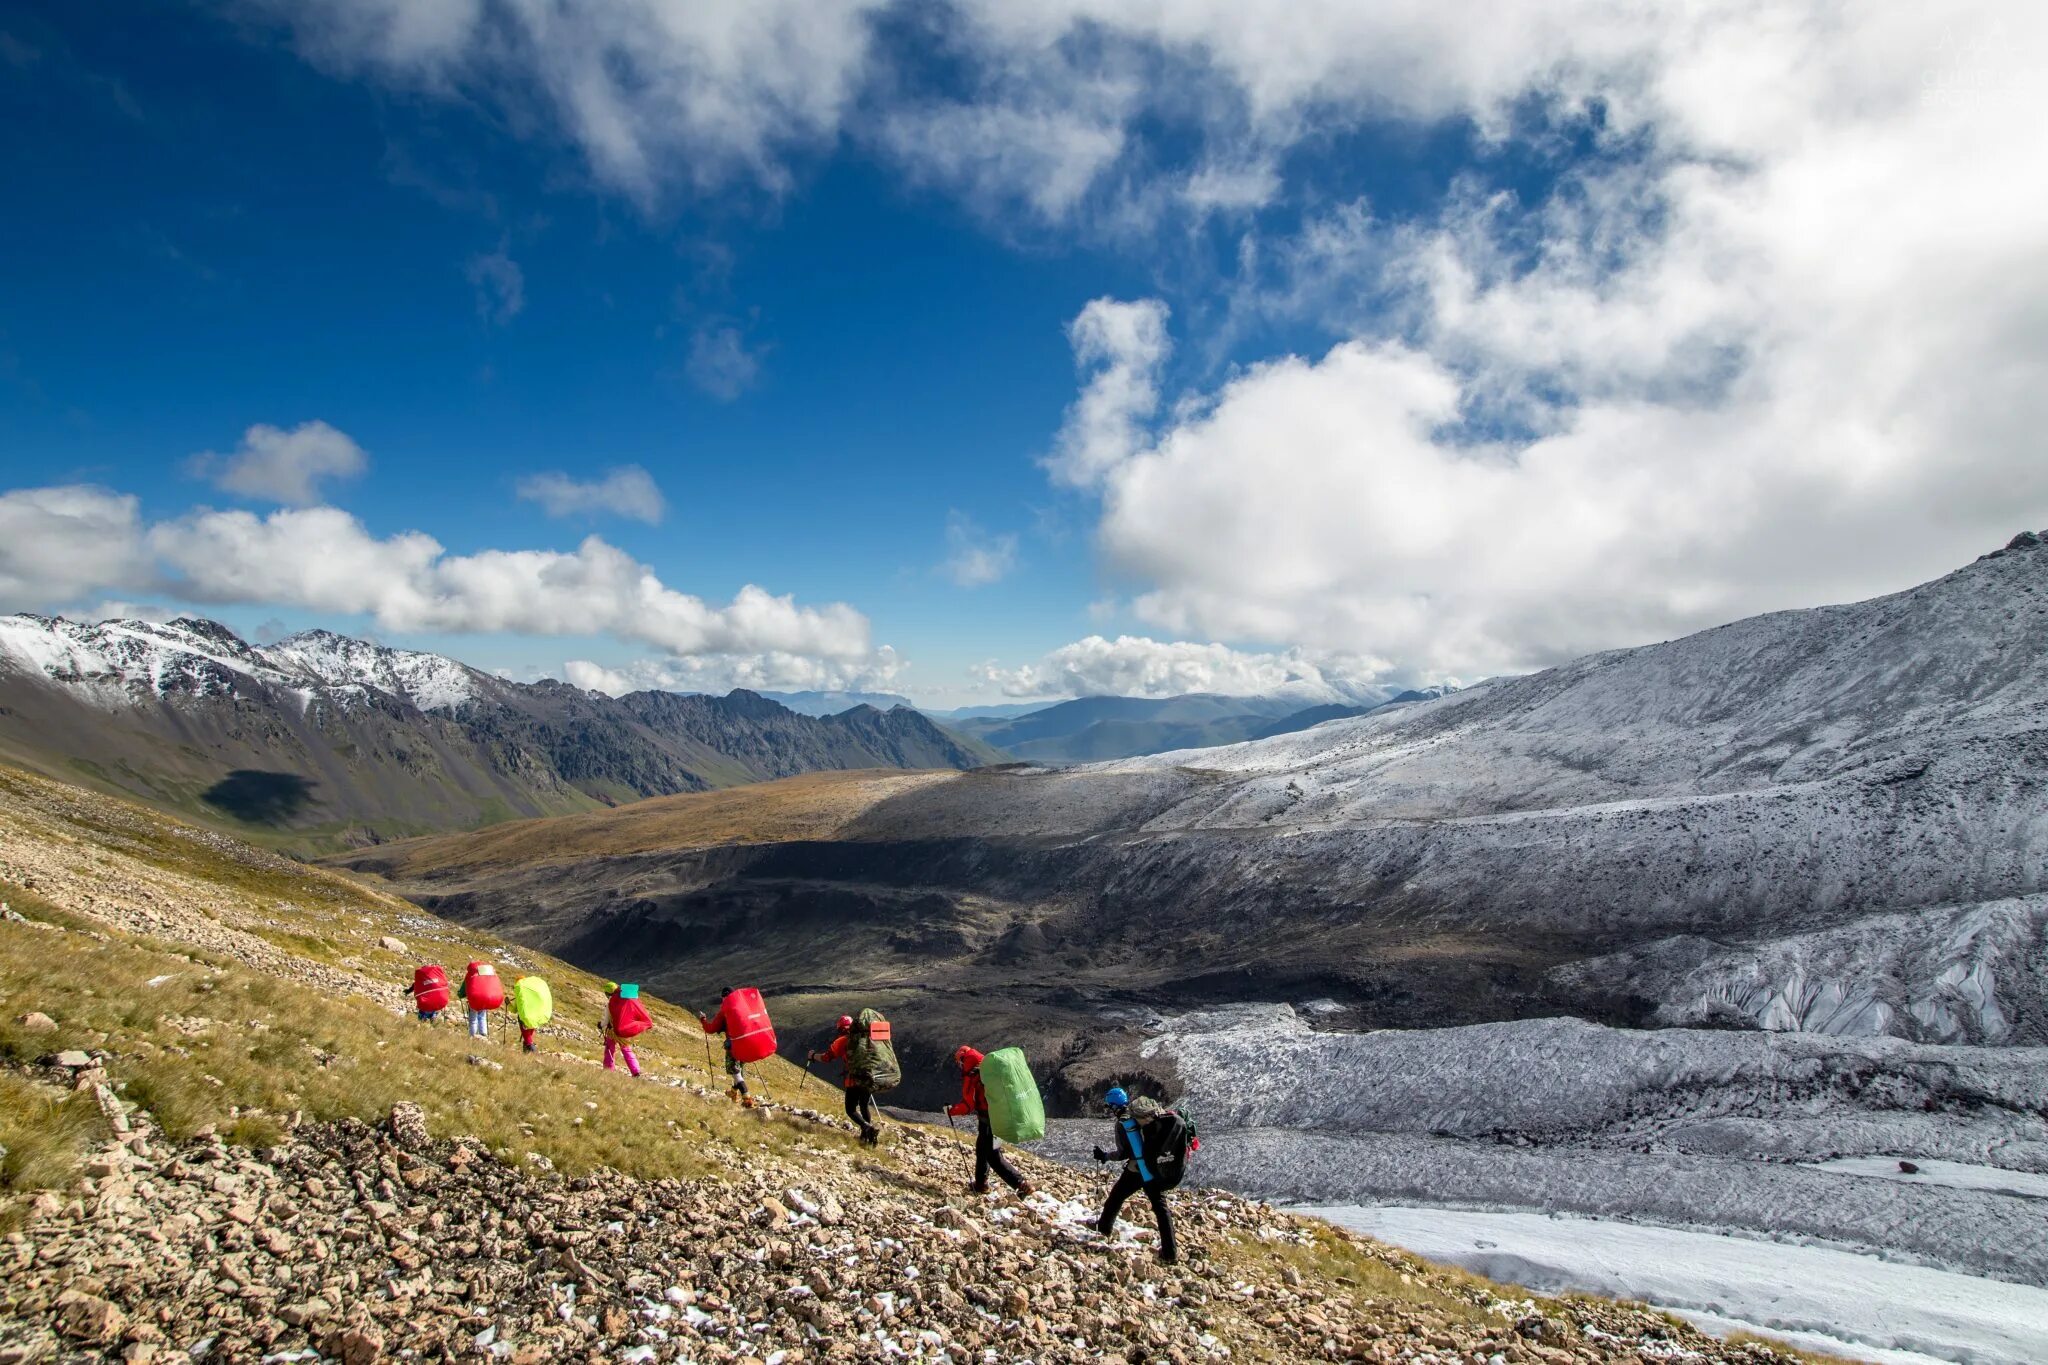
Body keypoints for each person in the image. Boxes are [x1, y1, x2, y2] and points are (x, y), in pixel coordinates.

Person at [1092, 1087, 1183, 1264]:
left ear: (1113, 1106)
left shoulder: (1123, 1123)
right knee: (1161, 1209)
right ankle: (1170, 1253)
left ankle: (1103, 1228)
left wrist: (1104, 1156)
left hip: (1137, 1170)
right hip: (1155, 1168)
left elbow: (1123, 1153)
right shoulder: (1145, 1117)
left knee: (1116, 1196)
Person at [946, 1046, 1033, 1197]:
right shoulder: (988, 1070)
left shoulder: (974, 1075)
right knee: (982, 1148)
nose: (959, 1067)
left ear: (963, 1060)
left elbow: (968, 1106)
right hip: (1000, 1118)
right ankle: (981, 1184)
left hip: (988, 1121)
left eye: (959, 1063)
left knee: (993, 1156)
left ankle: (1021, 1184)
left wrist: (950, 1110)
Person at [809, 1014, 880, 1146]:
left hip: (853, 1080)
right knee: (864, 1105)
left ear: (840, 1029)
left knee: (850, 1109)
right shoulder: (866, 1038)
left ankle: (867, 1128)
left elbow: (826, 1057)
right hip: (870, 1077)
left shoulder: (842, 1041)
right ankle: (866, 1138)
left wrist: (813, 1056)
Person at [700, 986, 756, 1107]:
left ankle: (747, 1098)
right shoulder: (743, 1008)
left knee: (735, 1071)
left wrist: (703, 1020)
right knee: (739, 1071)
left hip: (733, 1047)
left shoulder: (724, 1012)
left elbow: (711, 1029)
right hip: (746, 1044)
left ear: (723, 998)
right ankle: (733, 1093)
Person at [604, 980, 650, 1077]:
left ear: (608, 993)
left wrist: (601, 1025)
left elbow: (606, 1019)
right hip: (625, 1031)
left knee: (609, 1049)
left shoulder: (611, 1003)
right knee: (626, 1050)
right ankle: (636, 1071)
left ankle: (608, 1069)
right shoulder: (628, 1000)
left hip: (613, 1031)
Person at [458, 961, 503, 1039]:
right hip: (487, 998)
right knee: (482, 1016)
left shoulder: (471, 974)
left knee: (473, 1018)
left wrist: (460, 995)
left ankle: (473, 1035)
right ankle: (483, 1034)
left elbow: (464, 989)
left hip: (475, 999)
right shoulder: (488, 973)